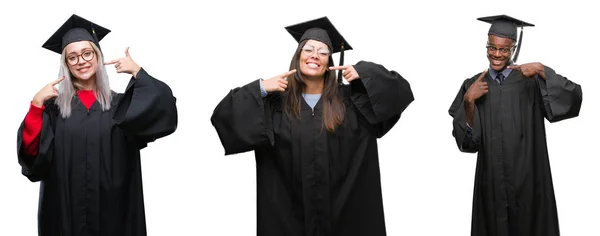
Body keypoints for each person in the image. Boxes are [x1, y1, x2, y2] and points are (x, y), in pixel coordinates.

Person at [211, 16, 414, 236]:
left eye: (323, 51)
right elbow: (224, 116)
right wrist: (260, 88)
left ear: (330, 62)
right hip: (289, 219)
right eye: (308, 49)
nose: (315, 55)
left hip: (345, 218)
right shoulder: (274, 104)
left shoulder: (353, 102)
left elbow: (399, 93)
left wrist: (365, 73)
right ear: (298, 56)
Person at [16, 14, 178, 236]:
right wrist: (36, 105)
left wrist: (138, 72)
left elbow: (164, 109)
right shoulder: (53, 110)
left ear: (98, 56)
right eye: (72, 57)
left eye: (87, 53)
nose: (81, 61)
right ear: (66, 65)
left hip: (115, 213)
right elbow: (32, 156)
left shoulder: (122, 106)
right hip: (65, 214)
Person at [448, 15, 582, 236]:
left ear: (514, 49)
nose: (496, 54)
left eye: (504, 49)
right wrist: (469, 102)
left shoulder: (531, 82)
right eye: (492, 47)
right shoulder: (473, 85)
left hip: (529, 180)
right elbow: (468, 145)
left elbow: (573, 99)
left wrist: (541, 70)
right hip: (491, 184)